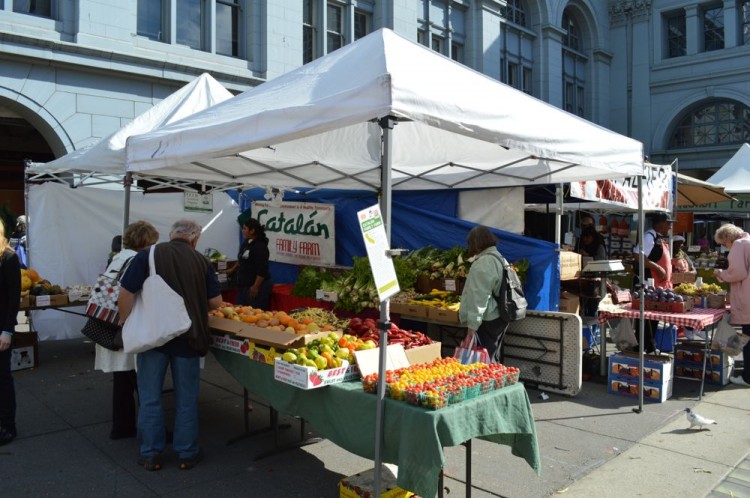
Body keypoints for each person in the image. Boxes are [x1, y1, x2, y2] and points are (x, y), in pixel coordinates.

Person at [119, 220, 222, 471]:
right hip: (189, 337)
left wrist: (125, 322)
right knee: (186, 398)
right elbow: (216, 303)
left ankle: (150, 454)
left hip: (153, 337)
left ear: (170, 234)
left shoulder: (148, 254)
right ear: (195, 239)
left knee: (150, 397)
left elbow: (125, 293)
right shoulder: (202, 262)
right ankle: (187, 453)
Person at [95, 221, 159, 440]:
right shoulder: (137, 260)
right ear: (145, 241)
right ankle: (151, 430)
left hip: (109, 325)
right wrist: (125, 322)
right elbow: (132, 294)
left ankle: (122, 427)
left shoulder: (118, 258)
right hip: (125, 327)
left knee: (123, 380)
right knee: (143, 381)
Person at [458, 225, 507, 363]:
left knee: (484, 360)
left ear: (475, 243)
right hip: (499, 315)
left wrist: (472, 326)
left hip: (488, 317)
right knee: (492, 356)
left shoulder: (484, 262)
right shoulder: (498, 257)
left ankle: (488, 383)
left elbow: (478, 297)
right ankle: (495, 381)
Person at [632, 212, 676, 353]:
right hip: (648, 284)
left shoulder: (658, 238)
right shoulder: (649, 236)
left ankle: (650, 347)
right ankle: (642, 347)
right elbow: (638, 256)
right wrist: (658, 268)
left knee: (653, 319)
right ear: (659, 223)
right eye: (668, 223)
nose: (670, 226)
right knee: (646, 319)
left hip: (658, 286)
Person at [713, 224, 750, 387]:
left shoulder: (739, 245)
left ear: (727, 238)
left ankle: (747, 377)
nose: (724, 246)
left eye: (723, 243)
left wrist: (721, 274)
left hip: (747, 297)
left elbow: (738, 273)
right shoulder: (747, 241)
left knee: (748, 338)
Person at [0, 220, 21, 446]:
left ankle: (7, 426)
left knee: (2, 378)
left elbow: (14, 297)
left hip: (1, 327)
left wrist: (7, 330)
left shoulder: (8, 257)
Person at [230, 217, 272, 310]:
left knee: (254, 315)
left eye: (245, 228)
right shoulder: (246, 243)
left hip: (256, 287)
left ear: (252, 231)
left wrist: (255, 287)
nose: (242, 231)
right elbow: (242, 259)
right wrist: (232, 269)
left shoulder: (260, 247)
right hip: (243, 285)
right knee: (240, 312)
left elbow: (262, 270)